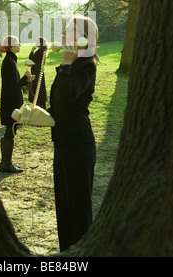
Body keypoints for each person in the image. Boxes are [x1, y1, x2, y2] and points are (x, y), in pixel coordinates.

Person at [48, 15, 99, 251]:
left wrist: (66, 64)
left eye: (69, 29)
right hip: (63, 144)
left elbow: (69, 97)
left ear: (83, 39)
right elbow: (60, 105)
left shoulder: (85, 66)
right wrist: (40, 114)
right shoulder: (69, 67)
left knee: (78, 211)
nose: (63, 33)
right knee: (64, 208)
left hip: (79, 146)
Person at [0, 35, 35, 173]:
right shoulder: (9, 62)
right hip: (11, 102)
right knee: (10, 130)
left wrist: (27, 80)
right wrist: (25, 77)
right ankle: (6, 163)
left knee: (11, 130)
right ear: (12, 47)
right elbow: (14, 85)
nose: (20, 45)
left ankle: (6, 162)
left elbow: (14, 84)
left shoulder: (10, 60)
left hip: (11, 100)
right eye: (18, 43)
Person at [28, 37, 49, 109]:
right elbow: (31, 58)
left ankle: (40, 107)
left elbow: (40, 64)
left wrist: (32, 64)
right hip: (36, 72)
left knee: (38, 90)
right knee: (38, 90)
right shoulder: (39, 50)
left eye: (37, 41)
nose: (35, 42)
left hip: (37, 73)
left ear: (40, 43)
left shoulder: (41, 51)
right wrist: (32, 50)